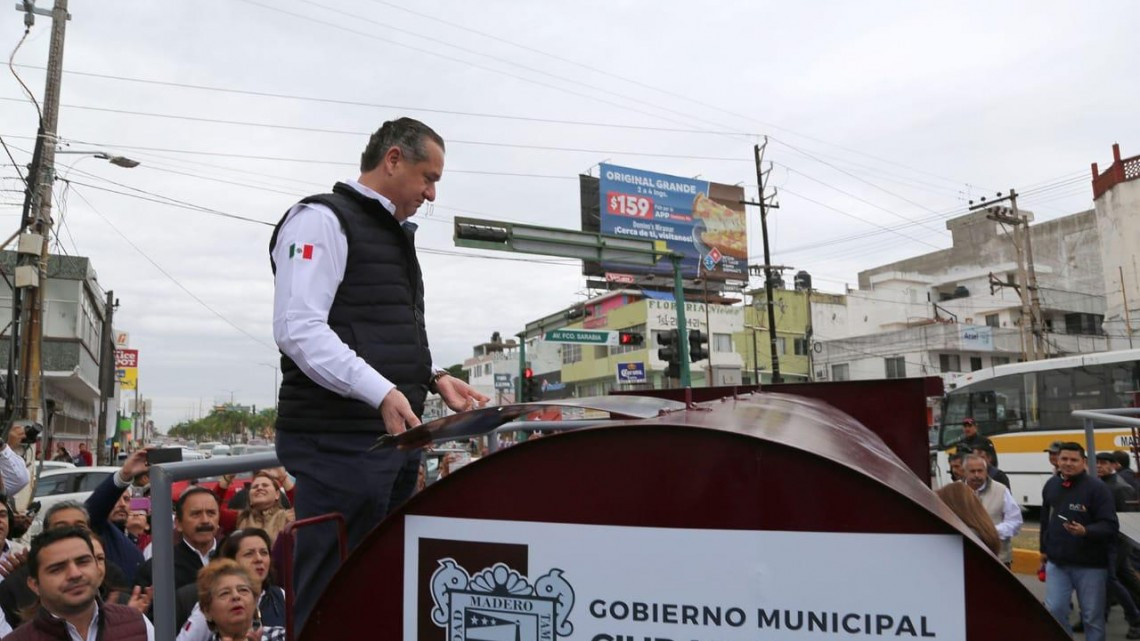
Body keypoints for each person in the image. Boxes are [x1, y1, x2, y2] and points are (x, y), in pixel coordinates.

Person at [270, 116, 489, 630]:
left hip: (385, 444)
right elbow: (298, 328)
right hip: (339, 444)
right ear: (393, 159)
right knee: (330, 592)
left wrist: (433, 375)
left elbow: (369, 326)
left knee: (372, 582)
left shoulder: (387, 233)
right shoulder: (319, 220)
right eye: (427, 177)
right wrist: (382, 390)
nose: (432, 194)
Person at [6, 526, 154, 641]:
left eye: (83, 562)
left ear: (98, 567)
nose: (74, 574)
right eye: (57, 569)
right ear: (34, 585)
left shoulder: (137, 623)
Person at [1041, 442, 1118, 641]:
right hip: (1057, 563)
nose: (1068, 463)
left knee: (1092, 617)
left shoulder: (1097, 489)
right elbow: (1045, 520)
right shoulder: (1051, 485)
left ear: (1083, 462)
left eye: (1073, 460)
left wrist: (1086, 531)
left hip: (1091, 565)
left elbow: (1110, 526)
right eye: (1064, 459)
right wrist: (1044, 549)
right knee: (1055, 610)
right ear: (1057, 460)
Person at [177, 529, 285, 640]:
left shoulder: (279, 634)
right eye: (249, 554)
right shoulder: (206, 607)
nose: (259, 559)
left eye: (264, 552)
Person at [135, 486, 220, 592]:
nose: (205, 520)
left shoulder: (234, 556)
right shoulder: (158, 569)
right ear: (178, 523)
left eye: (211, 513)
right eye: (196, 514)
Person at [85, 449, 148, 583]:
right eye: (116, 500)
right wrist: (124, 475)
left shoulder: (133, 542)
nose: (122, 505)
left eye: (126, 499)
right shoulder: (97, 530)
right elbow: (93, 509)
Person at [961, 454, 1022, 566]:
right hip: (964, 558)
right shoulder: (954, 492)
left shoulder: (1001, 490)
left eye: (980, 471)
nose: (977, 475)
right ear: (964, 472)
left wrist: (992, 531)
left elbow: (1015, 522)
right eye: (972, 471)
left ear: (986, 471)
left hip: (997, 559)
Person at [192, 559, 265, 641]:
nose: (236, 596)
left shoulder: (279, 636)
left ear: (255, 601)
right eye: (225, 593)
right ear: (207, 612)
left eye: (243, 590)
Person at [935, 482, 1001, 555]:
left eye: (941, 504)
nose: (938, 510)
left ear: (954, 507)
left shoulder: (964, 537)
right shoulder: (981, 532)